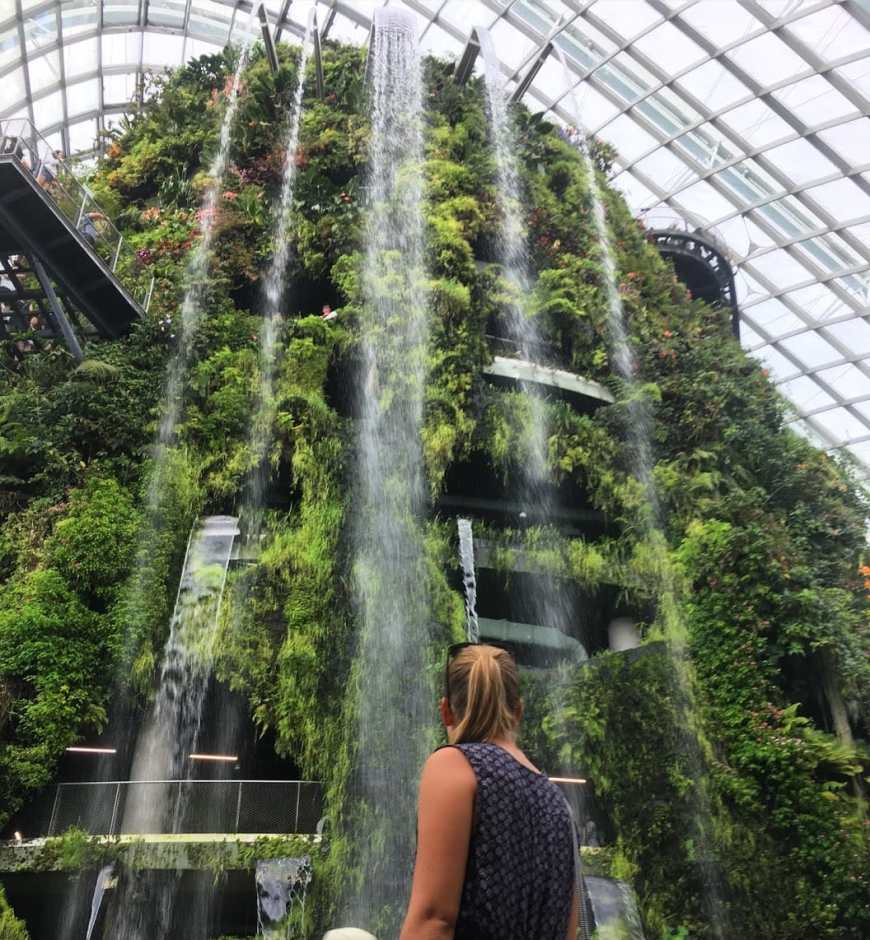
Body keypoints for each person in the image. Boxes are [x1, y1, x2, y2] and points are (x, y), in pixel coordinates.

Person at [399, 643, 579, 940]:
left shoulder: (454, 766)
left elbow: (434, 919)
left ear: (445, 711)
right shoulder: (558, 804)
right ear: (518, 712)